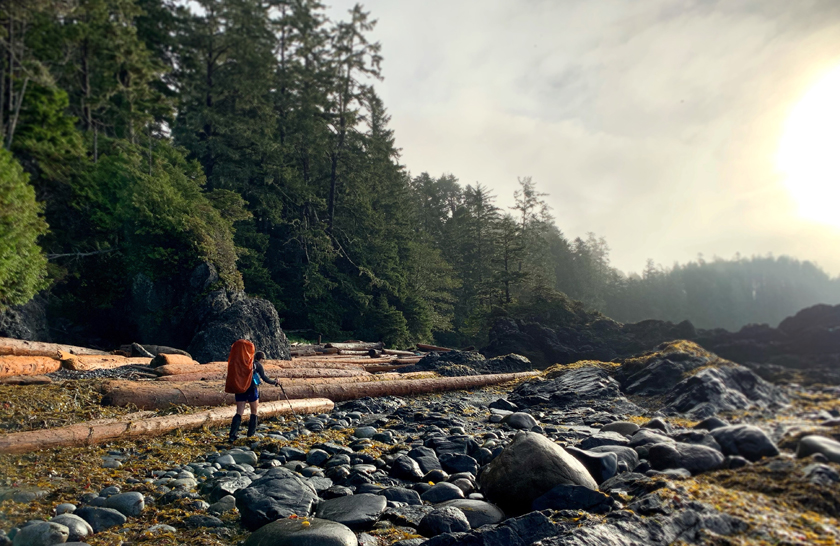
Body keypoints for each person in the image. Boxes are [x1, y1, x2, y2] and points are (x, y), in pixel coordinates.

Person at [225, 340, 279, 442]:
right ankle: (251, 434)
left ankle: (232, 435)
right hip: (251, 389)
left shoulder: (235, 364)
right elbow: (264, 378)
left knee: (239, 412)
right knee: (254, 411)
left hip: (239, 389)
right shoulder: (255, 365)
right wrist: (275, 382)